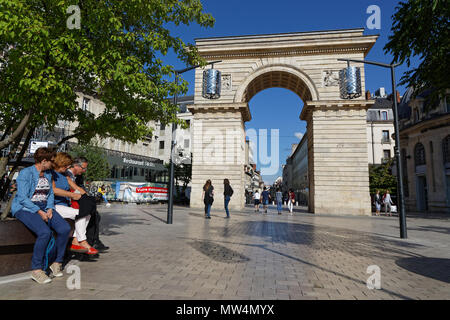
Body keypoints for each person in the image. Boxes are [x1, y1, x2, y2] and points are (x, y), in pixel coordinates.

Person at [11, 147, 71, 284]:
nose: (53, 164)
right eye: (51, 161)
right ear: (43, 161)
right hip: (25, 208)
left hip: (45, 206)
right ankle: (36, 270)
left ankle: (57, 262)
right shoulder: (26, 173)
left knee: (65, 229)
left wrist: (50, 208)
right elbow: (22, 198)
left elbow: (50, 194)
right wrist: (39, 211)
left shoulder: (48, 173)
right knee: (44, 233)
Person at [51, 152, 98, 255]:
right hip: (54, 205)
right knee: (80, 213)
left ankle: (77, 240)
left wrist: (87, 197)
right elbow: (54, 190)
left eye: (69, 165)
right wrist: (72, 195)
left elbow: (76, 188)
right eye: (67, 165)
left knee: (88, 211)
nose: (68, 167)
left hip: (64, 206)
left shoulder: (65, 176)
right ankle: (81, 241)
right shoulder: (51, 174)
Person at [69, 157, 109, 252]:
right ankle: (86, 242)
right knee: (87, 213)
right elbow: (76, 190)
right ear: (76, 165)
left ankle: (90, 241)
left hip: (75, 201)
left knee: (92, 213)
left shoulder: (76, 176)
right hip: (70, 202)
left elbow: (80, 189)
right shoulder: (67, 175)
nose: (84, 170)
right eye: (83, 168)